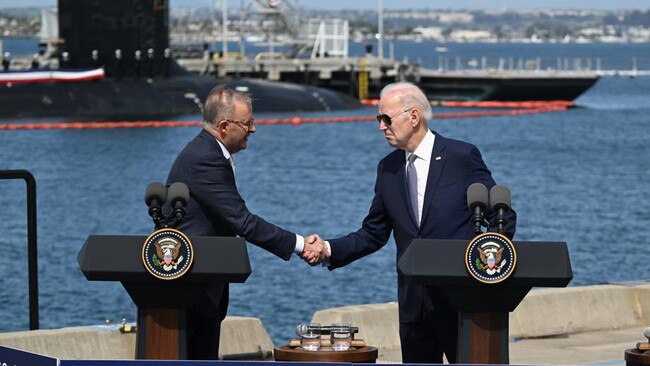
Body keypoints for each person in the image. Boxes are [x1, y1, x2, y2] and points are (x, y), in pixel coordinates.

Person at [302, 81, 517, 363]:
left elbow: (501, 218)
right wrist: (328, 249)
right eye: (379, 119)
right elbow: (373, 233)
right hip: (414, 307)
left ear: (413, 117)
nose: (381, 126)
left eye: (386, 119)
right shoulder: (388, 168)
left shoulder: (461, 157)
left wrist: (486, 271)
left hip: (462, 304)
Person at [166, 85, 327, 360]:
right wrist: (301, 245)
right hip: (190, 287)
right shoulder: (206, 158)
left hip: (201, 284)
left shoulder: (208, 151)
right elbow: (243, 222)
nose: (253, 129)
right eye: (248, 123)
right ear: (225, 126)